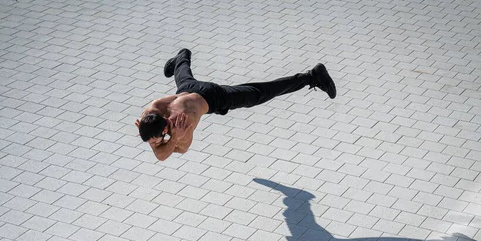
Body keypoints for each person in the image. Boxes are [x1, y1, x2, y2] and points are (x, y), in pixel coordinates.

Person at [136, 49, 337, 161]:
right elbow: (164, 149)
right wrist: (164, 140)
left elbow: (176, 151)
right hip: (187, 90)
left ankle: (312, 76)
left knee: (259, 94)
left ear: (165, 128)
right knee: (183, 79)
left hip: (213, 96)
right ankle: (182, 56)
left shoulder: (183, 122)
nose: (153, 145)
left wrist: (176, 138)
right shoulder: (150, 112)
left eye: (154, 141)